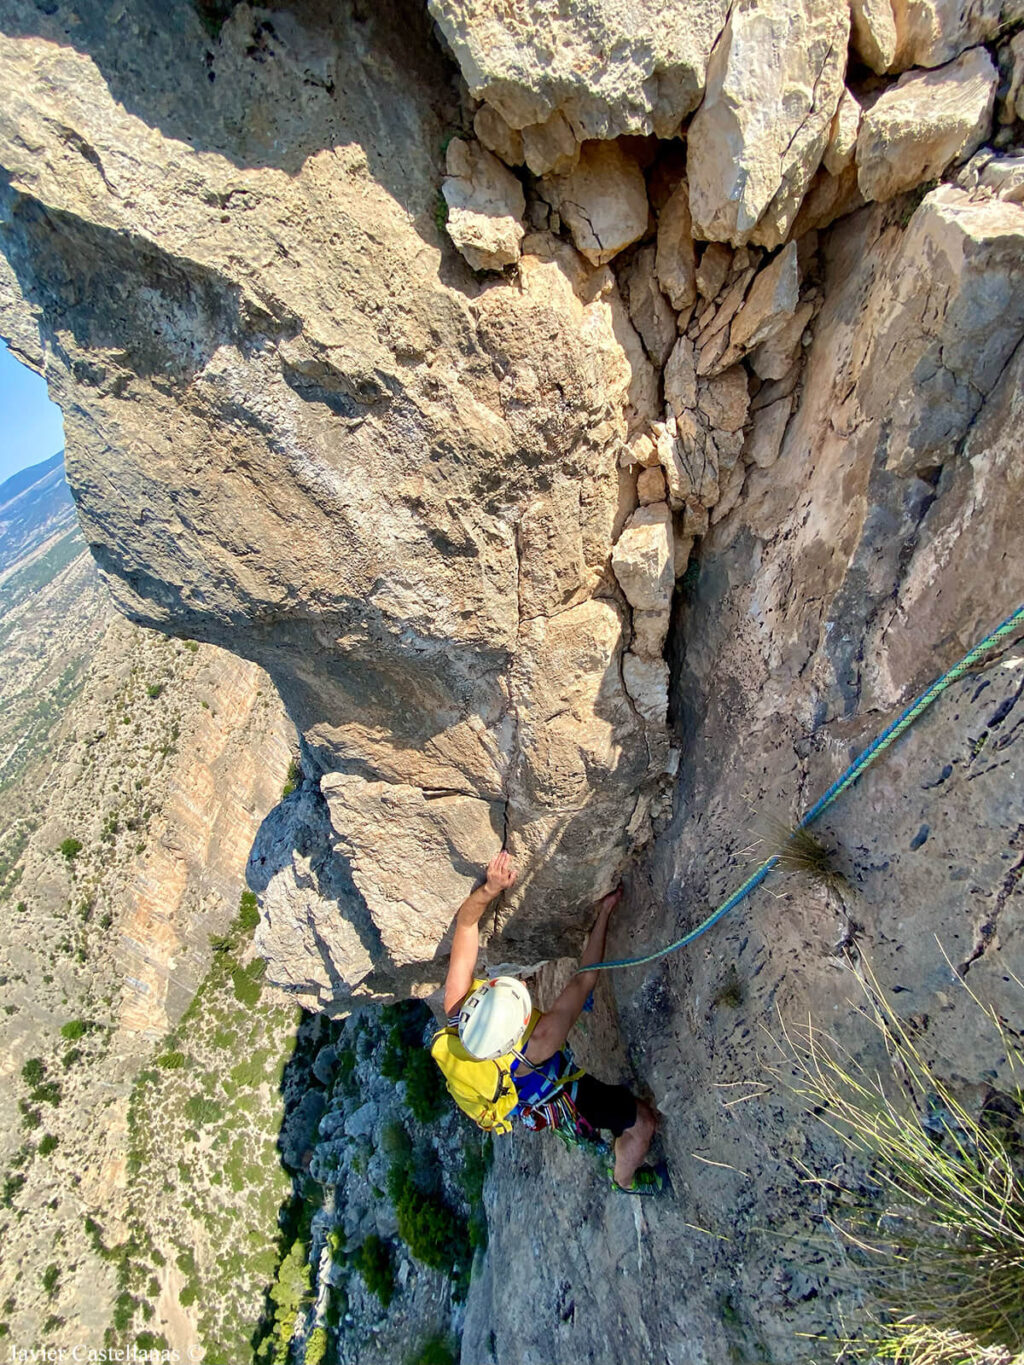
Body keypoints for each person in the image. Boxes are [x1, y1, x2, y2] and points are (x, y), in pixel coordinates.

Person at [441, 849, 664, 1193]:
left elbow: (466, 924)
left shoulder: (458, 1009)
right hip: (558, 1093)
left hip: (514, 1096)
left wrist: (490, 889)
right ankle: (624, 1180)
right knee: (643, 1123)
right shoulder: (541, 1042)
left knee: (608, 1109)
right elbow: (584, 980)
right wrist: (604, 914)